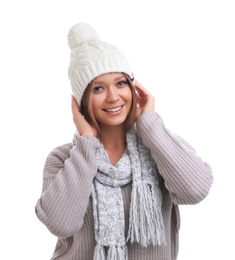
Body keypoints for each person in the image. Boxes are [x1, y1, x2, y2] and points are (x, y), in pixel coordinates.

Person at [35, 23, 213, 260]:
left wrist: (149, 124)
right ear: (81, 101)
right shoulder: (62, 159)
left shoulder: (160, 146)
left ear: (134, 88)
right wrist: (87, 142)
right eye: (98, 88)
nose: (113, 97)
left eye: (120, 83)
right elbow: (61, 224)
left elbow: (195, 191)